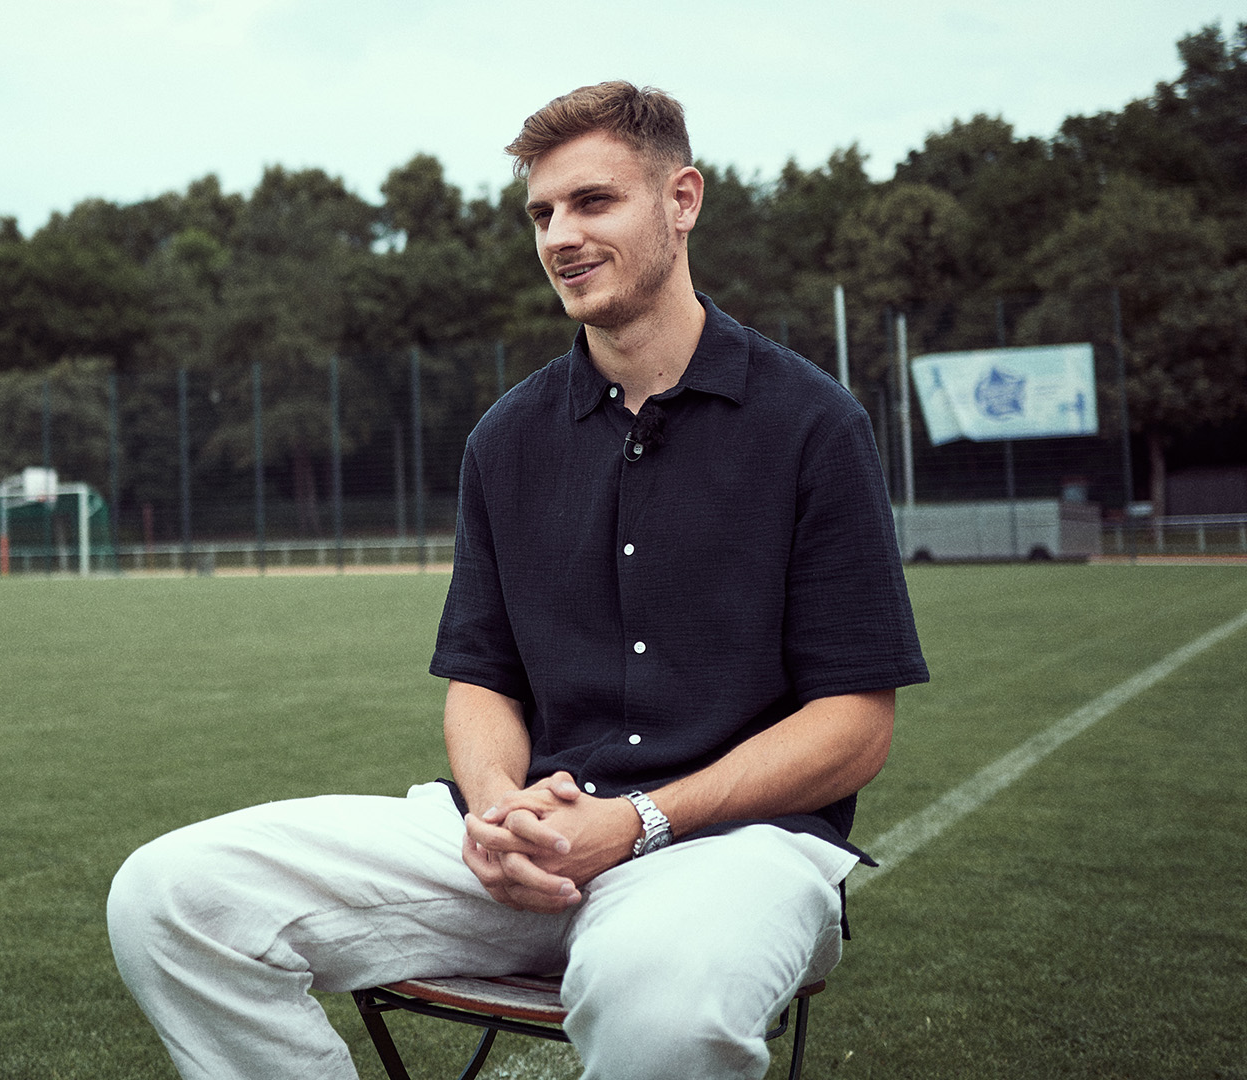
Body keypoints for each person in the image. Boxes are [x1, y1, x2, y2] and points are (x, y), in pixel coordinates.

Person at [107, 81, 929, 1080]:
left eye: (593, 202)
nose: (560, 236)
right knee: (170, 896)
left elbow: (857, 725)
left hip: (729, 853)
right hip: (521, 847)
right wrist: (498, 810)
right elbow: (483, 680)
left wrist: (636, 822)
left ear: (683, 200)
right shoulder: (507, 439)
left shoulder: (811, 424)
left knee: (663, 1011)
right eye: (542, 213)